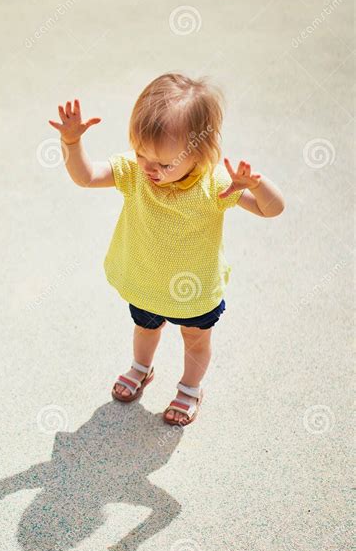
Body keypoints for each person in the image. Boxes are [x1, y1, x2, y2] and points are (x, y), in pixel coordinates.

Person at [48, 72, 284, 427]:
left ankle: (190, 387)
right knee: (144, 329)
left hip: (195, 290)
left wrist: (257, 184)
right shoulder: (133, 170)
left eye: (165, 163)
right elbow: (85, 177)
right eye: (143, 154)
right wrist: (71, 142)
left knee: (195, 340)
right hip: (145, 280)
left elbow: (272, 209)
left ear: (201, 153)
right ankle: (141, 368)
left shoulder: (217, 183)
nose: (150, 168)